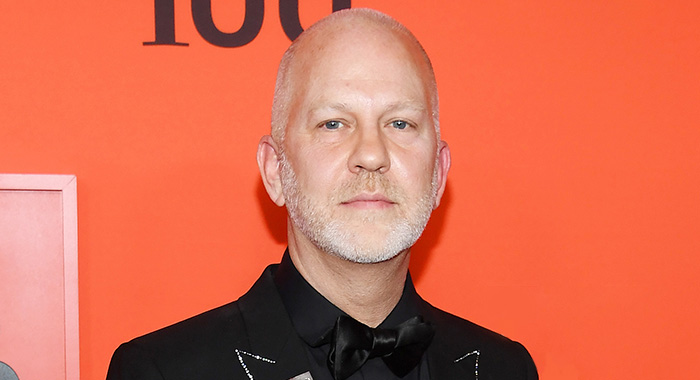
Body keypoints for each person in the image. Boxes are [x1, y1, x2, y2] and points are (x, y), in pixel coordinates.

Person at [106, 8, 538, 380]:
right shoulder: (164, 370)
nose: (371, 155)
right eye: (333, 124)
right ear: (276, 170)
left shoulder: (506, 368)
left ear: (439, 173)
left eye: (400, 124)